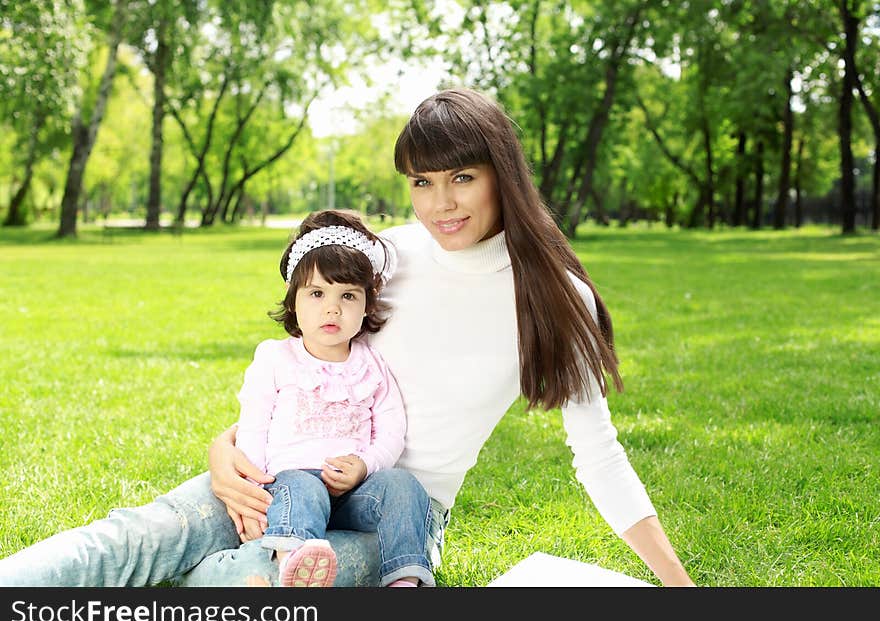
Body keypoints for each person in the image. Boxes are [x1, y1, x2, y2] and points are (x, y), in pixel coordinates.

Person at [0, 87, 694, 587]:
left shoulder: (552, 299)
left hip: (394, 518)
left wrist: (680, 588)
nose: (441, 203)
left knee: (251, 581)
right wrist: (224, 449)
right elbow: (309, 364)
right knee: (142, 536)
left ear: (501, 175)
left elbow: (599, 459)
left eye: (462, 177)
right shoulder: (384, 259)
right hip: (280, 474)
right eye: (422, 181)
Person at [233, 208, 431, 588]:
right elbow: (253, 426)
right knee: (302, 489)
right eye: (317, 293)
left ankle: (404, 579)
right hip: (288, 483)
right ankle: (296, 561)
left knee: (403, 486)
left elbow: (391, 431)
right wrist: (256, 488)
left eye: (348, 296)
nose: (332, 308)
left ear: (367, 305)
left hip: (355, 490)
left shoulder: (372, 365)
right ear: (294, 301)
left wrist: (365, 465)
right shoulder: (276, 358)